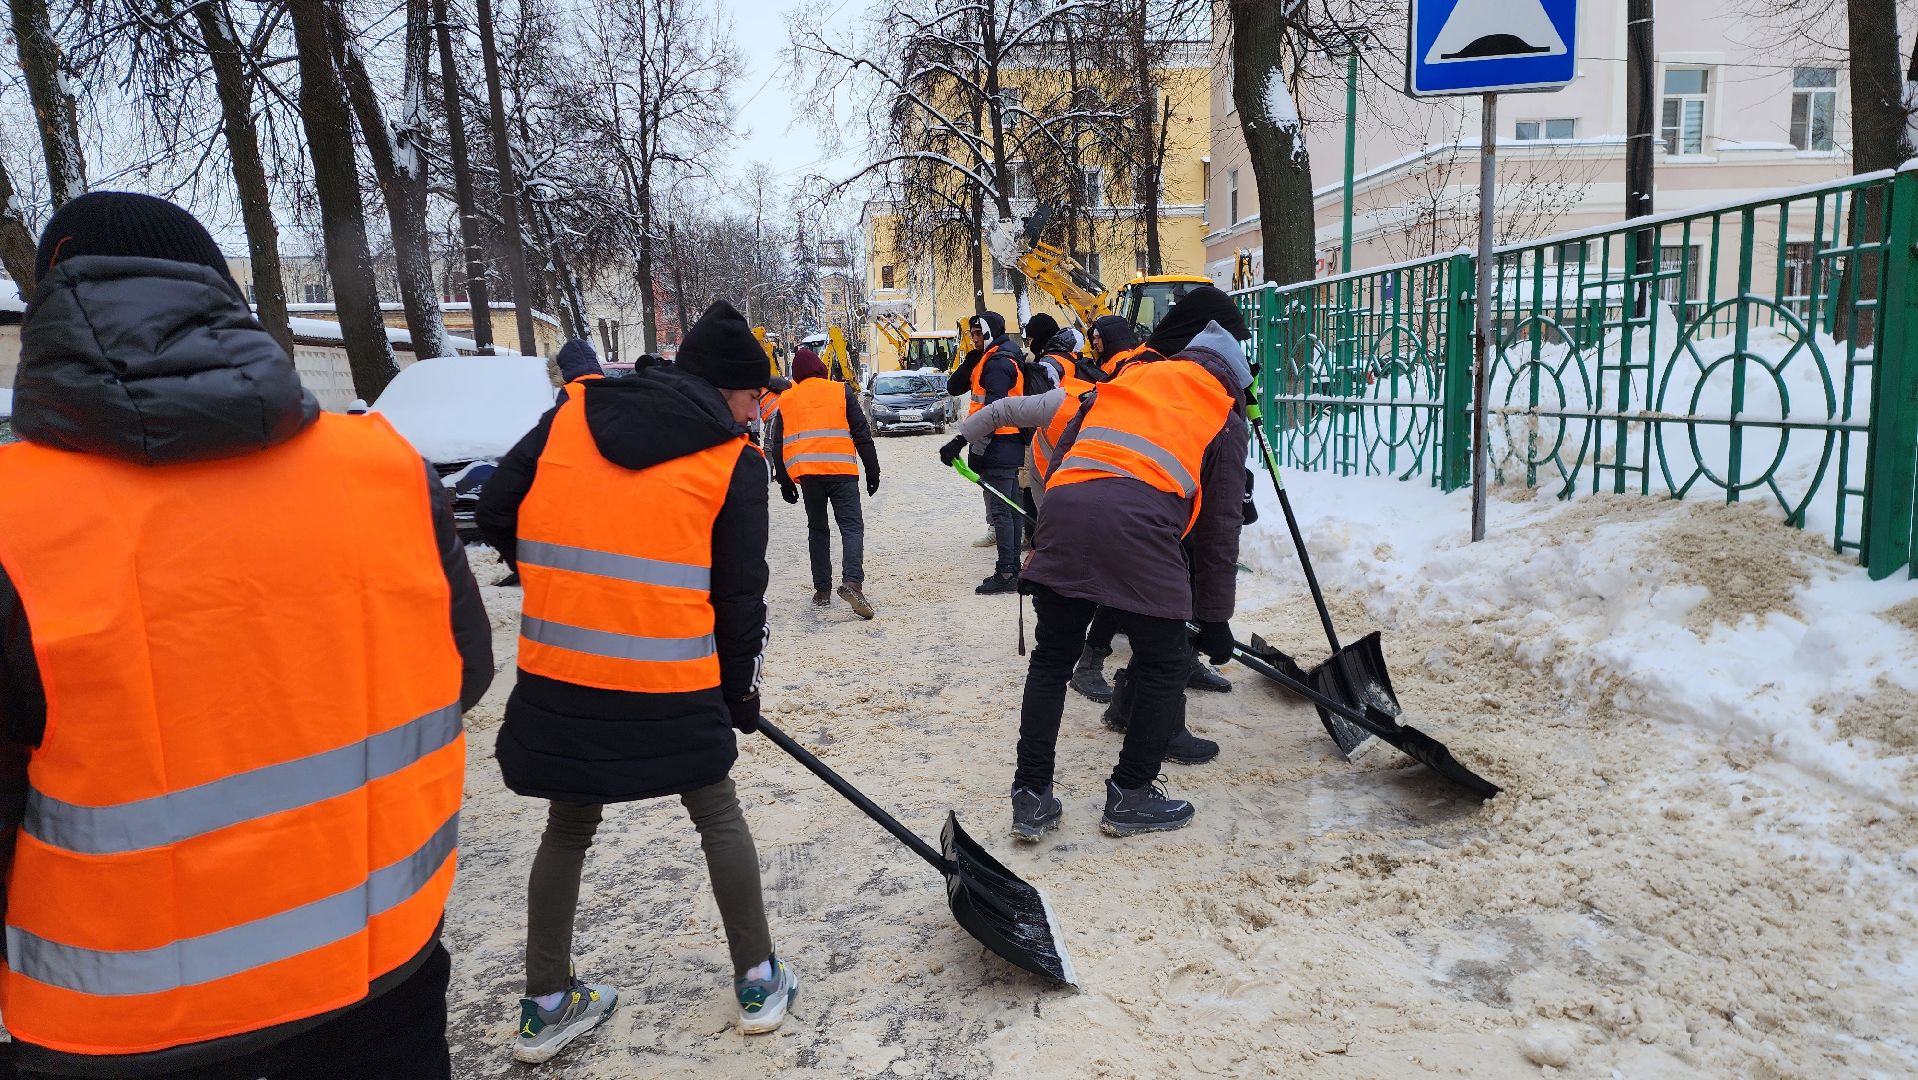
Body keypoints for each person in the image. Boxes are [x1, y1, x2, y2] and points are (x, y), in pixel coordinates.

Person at [0, 192, 493, 1080]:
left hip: (122, 1038)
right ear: (222, 298)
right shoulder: (385, 471)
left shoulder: (15, 519)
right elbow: (465, 674)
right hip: (379, 978)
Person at [475, 299, 797, 1065]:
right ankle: (757, 981)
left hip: (565, 673)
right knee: (717, 813)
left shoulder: (572, 415)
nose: (760, 411)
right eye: (756, 396)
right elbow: (738, 596)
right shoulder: (732, 462)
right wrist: (739, 691)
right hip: (673, 681)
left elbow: (495, 507)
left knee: (569, 822)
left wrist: (556, 580)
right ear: (727, 390)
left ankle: (547, 1003)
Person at [1007, 289, 1254, 843]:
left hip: (1067, 509)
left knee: (1051, 661)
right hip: (1140, 525)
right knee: (1167, 661)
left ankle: (1031, 795)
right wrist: (1215, 618)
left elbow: (1069, 446)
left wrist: (1055, 529)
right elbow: (1218, 533)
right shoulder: (1220, 407)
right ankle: (1131, 793)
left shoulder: (1130, 377)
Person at [768, 348, 880, 619]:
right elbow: (861, 433)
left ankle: (822, 591)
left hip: (808, 476)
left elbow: (777, 442)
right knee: (851, 527)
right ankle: (853, 583)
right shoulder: (839, 391)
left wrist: (785, 483)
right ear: (821, 369)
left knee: (818, 530)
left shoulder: (787, 399)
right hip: (842, 471)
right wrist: (873, 470)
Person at [945, 311, 1025, 593]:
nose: (975, 339)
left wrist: (976, 448)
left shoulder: (998, 364)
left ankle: (1006, 572)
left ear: (991, 333)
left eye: (979, 334)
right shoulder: (991, 358)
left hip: (998, 444)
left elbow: (994, 412)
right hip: (1005, 444)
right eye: (973, 335)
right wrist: (970, 361)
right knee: (1011, 509)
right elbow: (954, 387)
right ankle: (1013, 568)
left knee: (1003, 512)